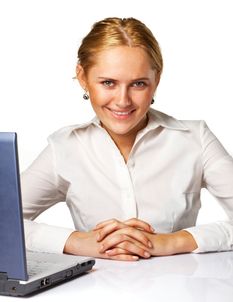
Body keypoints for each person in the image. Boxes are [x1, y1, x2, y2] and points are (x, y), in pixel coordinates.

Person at [21, 17, 233, 261]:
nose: (123, 101)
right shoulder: (65, 147)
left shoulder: (196, 139)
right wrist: (76, 241)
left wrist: (172, 241)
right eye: (108, 83)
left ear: (156, 80)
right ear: (83, 77)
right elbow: (5, 223)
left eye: (138, 84)